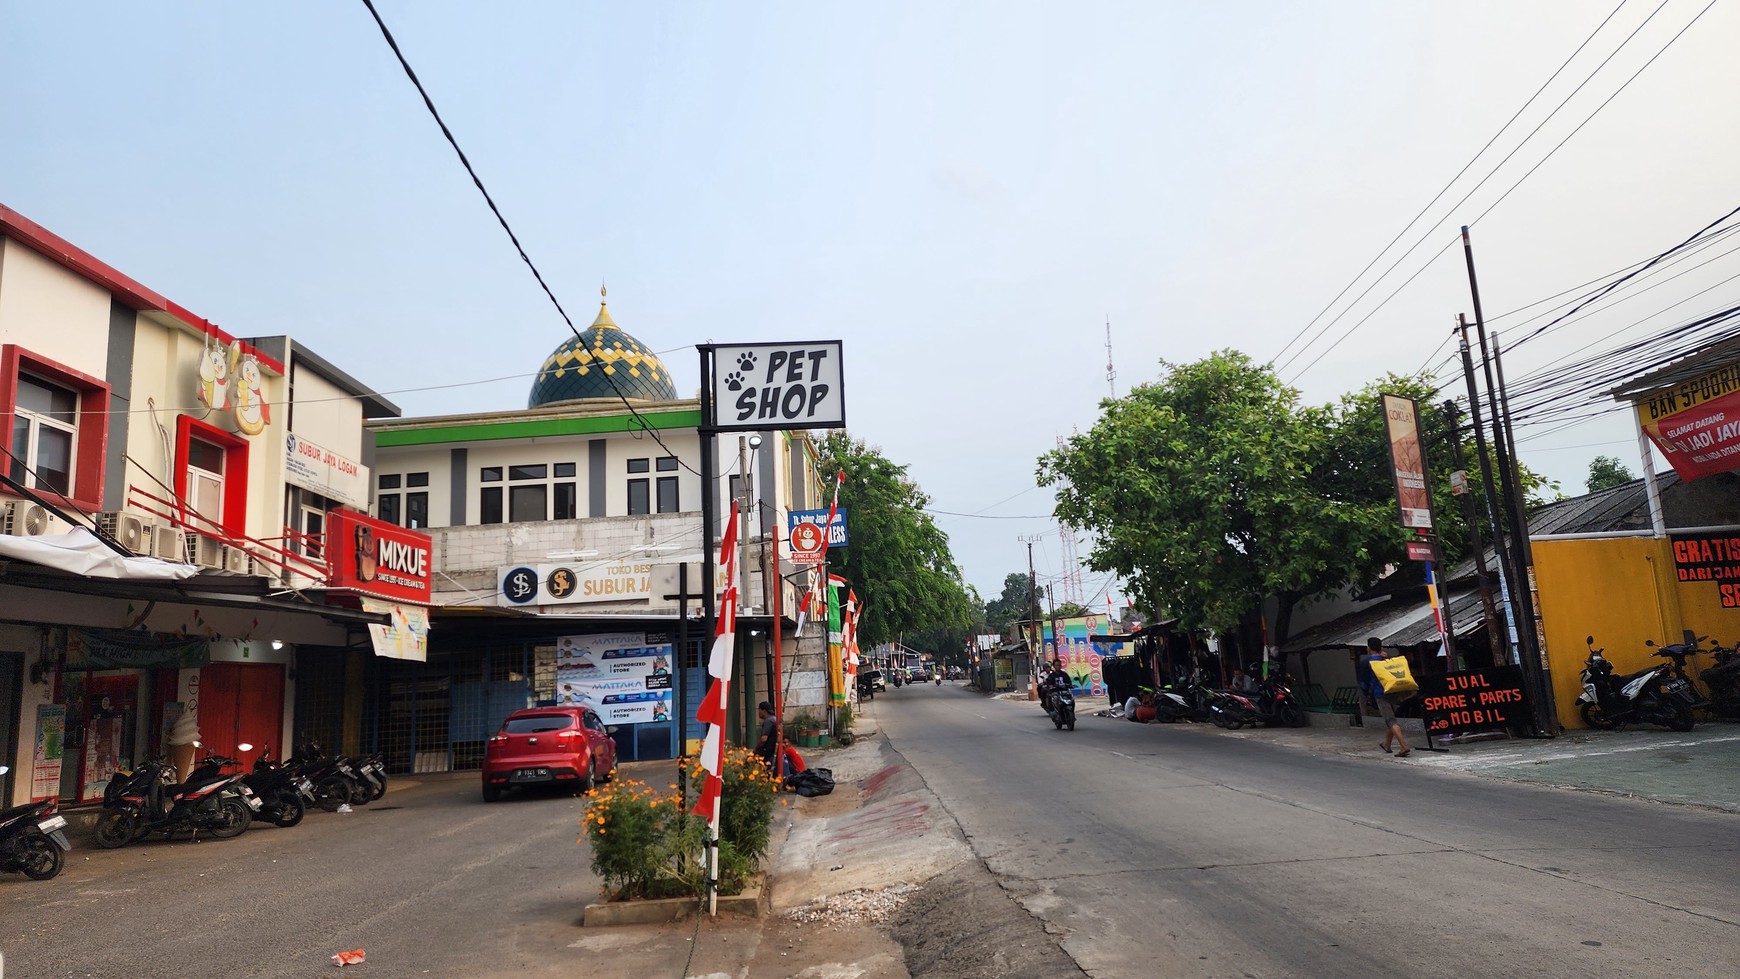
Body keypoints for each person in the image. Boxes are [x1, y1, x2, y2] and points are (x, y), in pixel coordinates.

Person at [1360, 637, 1412, 757]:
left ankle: (1404, 746)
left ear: (1368, 647)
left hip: (1380, 694)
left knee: (1390, 720)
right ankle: (1386, 744)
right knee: (1390, 718)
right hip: (1392, 690)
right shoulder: (1386, 658)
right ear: (1380, 647)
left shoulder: (1366, 662)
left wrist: (1367, 695)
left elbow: (1363, 683)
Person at [754, 701, 780, 768]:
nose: (758, 713)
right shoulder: (774, 719)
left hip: (768, 751)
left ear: (764, 711)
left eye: (759, 710)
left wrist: (756, 748)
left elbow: (764, 739)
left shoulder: (768, 721)